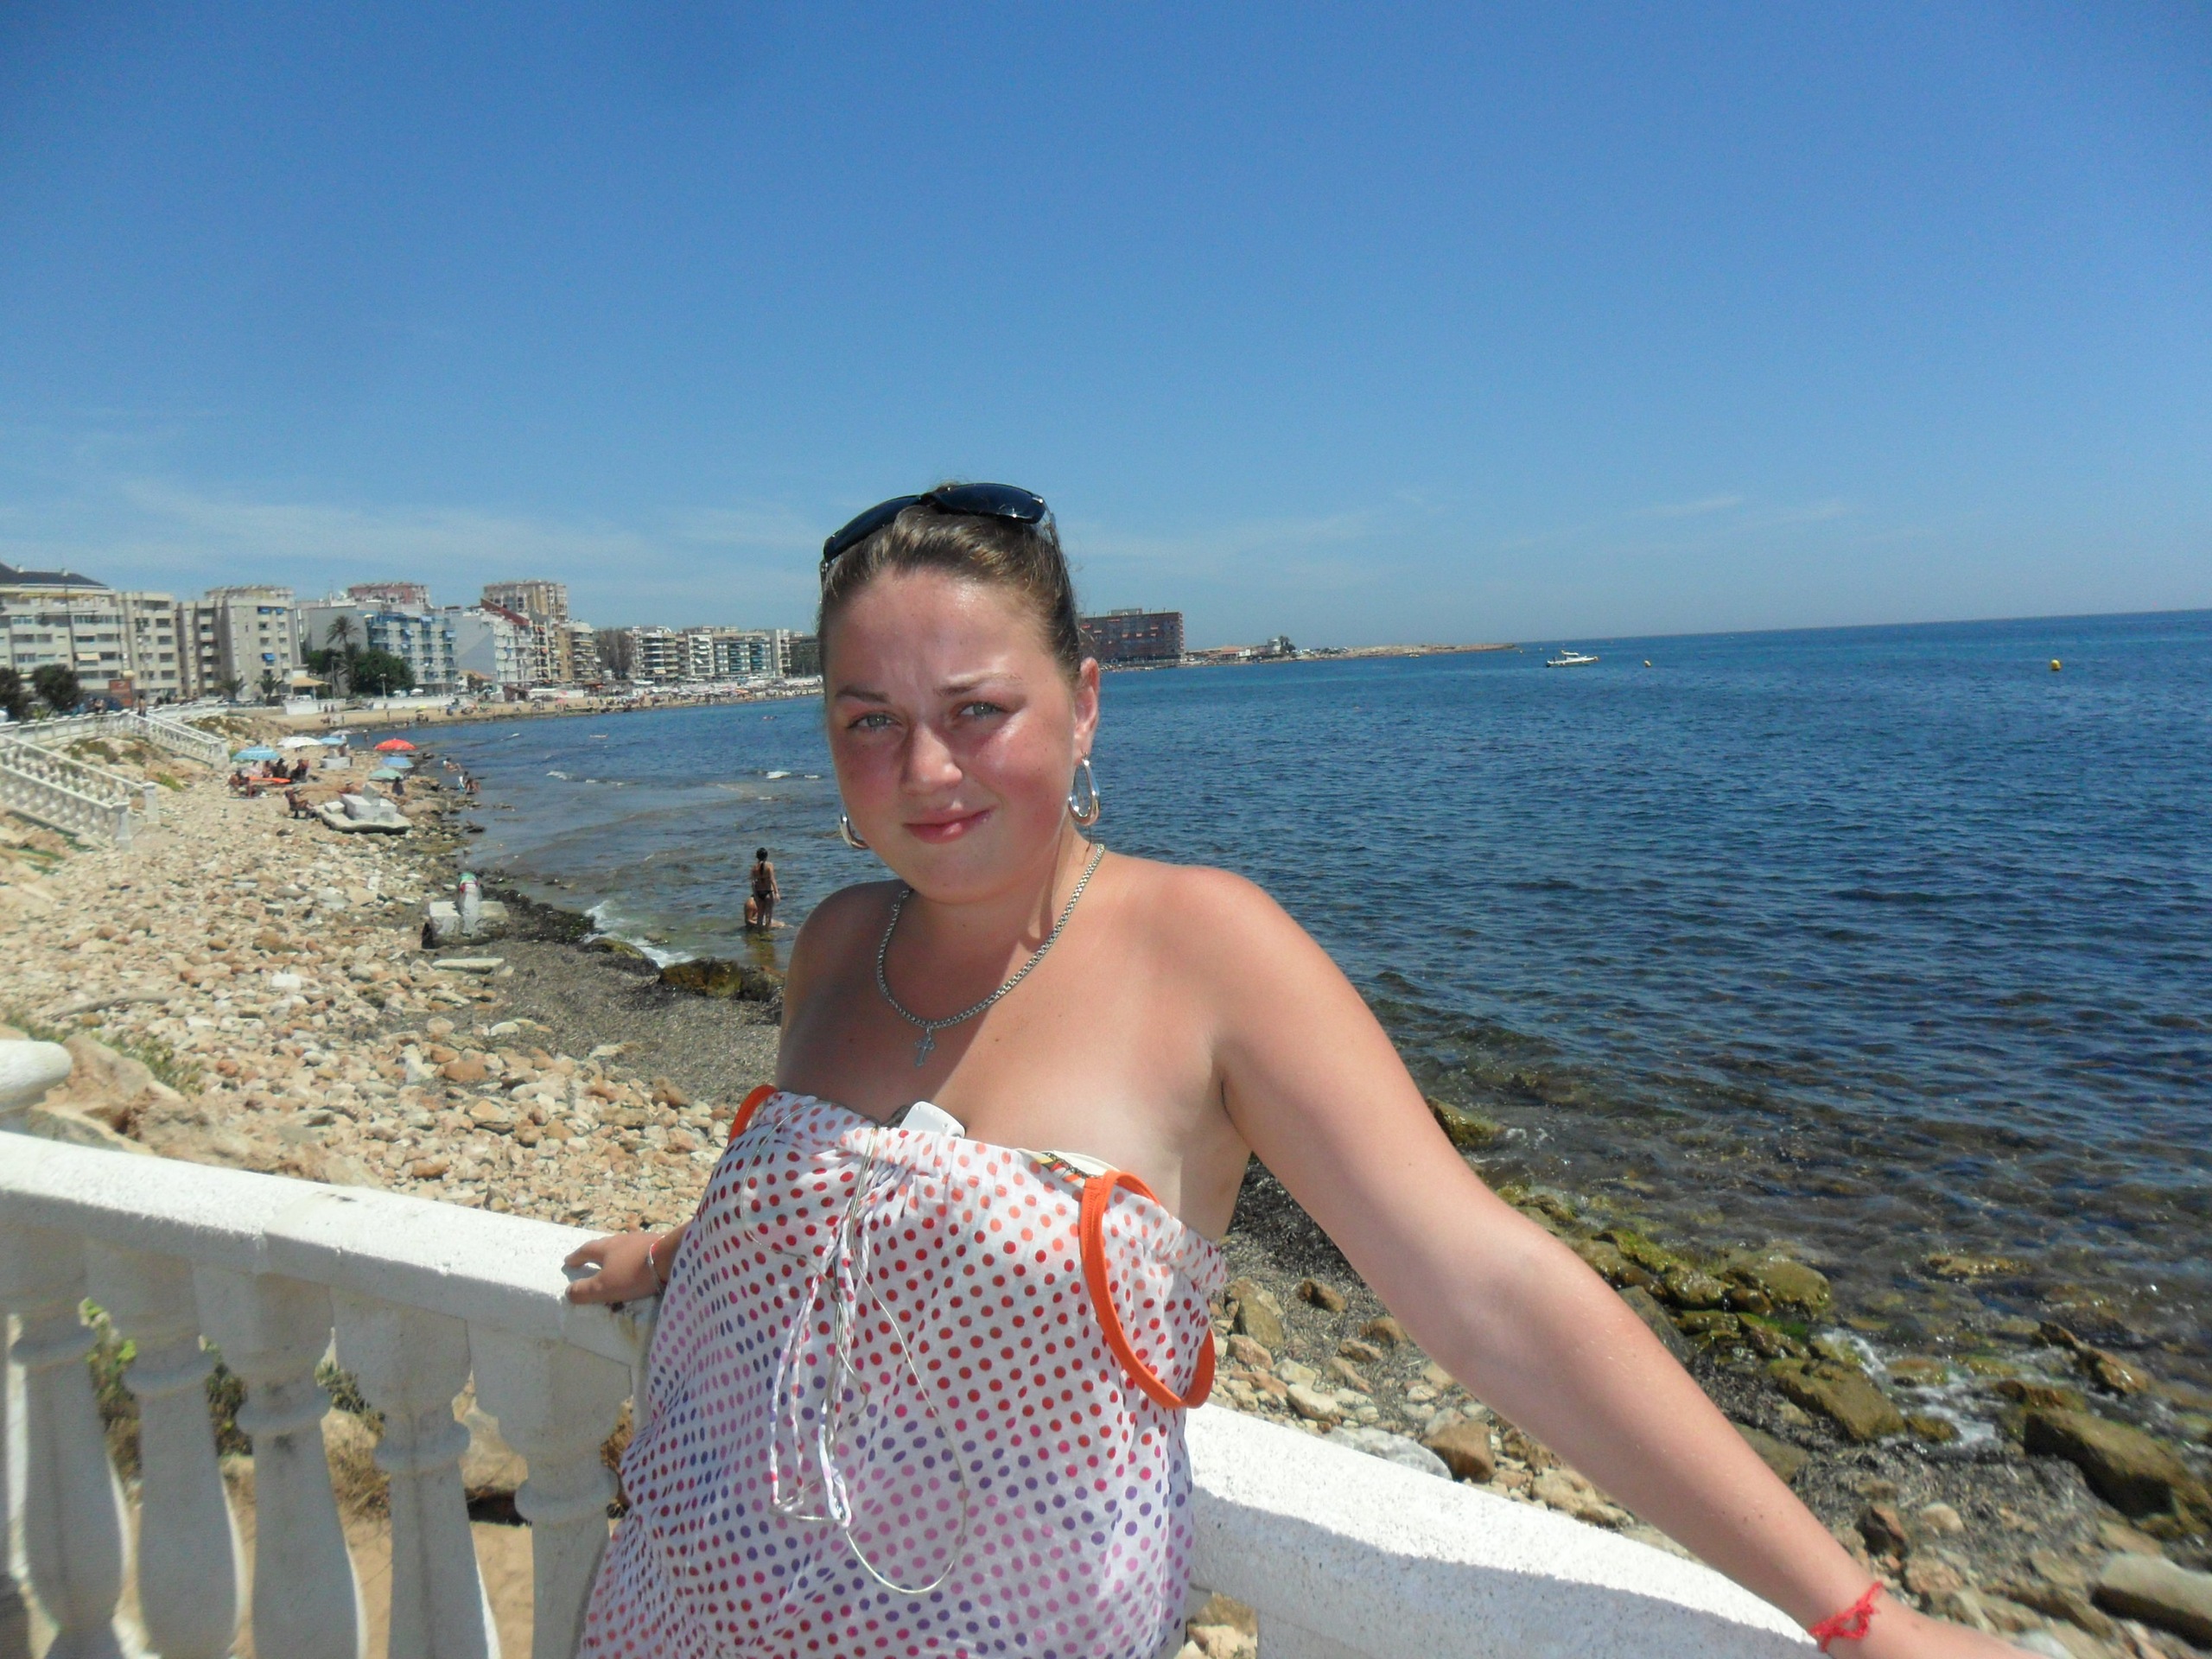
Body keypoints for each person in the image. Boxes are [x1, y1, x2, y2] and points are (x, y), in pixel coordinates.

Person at [563, 485, 2007, 1659]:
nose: (925, 768)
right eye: (869, 718)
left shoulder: (1209, 952)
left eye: (976, 709)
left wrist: (1854, 1613)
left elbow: (1487, 1287)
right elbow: (846, 1207)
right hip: (677, 1604)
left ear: (1084, 703)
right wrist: (686, 1248)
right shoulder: (837, 943)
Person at [748, 845, 780, 929]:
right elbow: (772, 879)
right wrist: (776, 893)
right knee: (768, 916)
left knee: (760, 915)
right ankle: (767, 933)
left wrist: (755, 895)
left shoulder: (754, 868)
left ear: (757, 857)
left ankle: (759, 932)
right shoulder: (769, 865)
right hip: (768, 892)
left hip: (759, 892)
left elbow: (753, 882)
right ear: (766, 856)